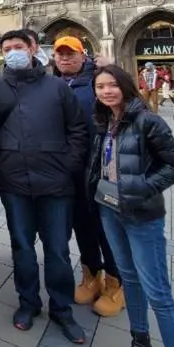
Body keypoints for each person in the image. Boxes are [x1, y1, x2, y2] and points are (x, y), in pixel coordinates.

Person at [89, 65, 174, 347]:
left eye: (112, 86)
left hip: (142, 216)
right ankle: (140, 344)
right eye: (100, 87)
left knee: (159, 292)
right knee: (129, 279)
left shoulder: (149, 121)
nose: (106, 91)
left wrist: (142, 188)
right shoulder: (103, 121)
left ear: (126, 87)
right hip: (109, 211)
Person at [0, 30, 90, 343]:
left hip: (56, 182)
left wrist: (67, 165)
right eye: (7, 49)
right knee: (22, 247)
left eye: (18, 47)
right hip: (14, 181)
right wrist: (0, 161)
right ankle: (28, 303)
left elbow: (78, 130)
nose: (13, 52)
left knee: (57, 249)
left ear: (32, 49)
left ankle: (61, 308)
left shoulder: (57, 86)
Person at [52, 37, 124, 318]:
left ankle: (116, 283)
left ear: (84, 56)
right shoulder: (54, 84)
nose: (65, 59)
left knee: (107, 226)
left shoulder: (98, 81)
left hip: (100, 167)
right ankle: (91, 273)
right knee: (82, 225)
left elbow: (123, 102)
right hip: (69, 169)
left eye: (71, 54)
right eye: (60, 54)